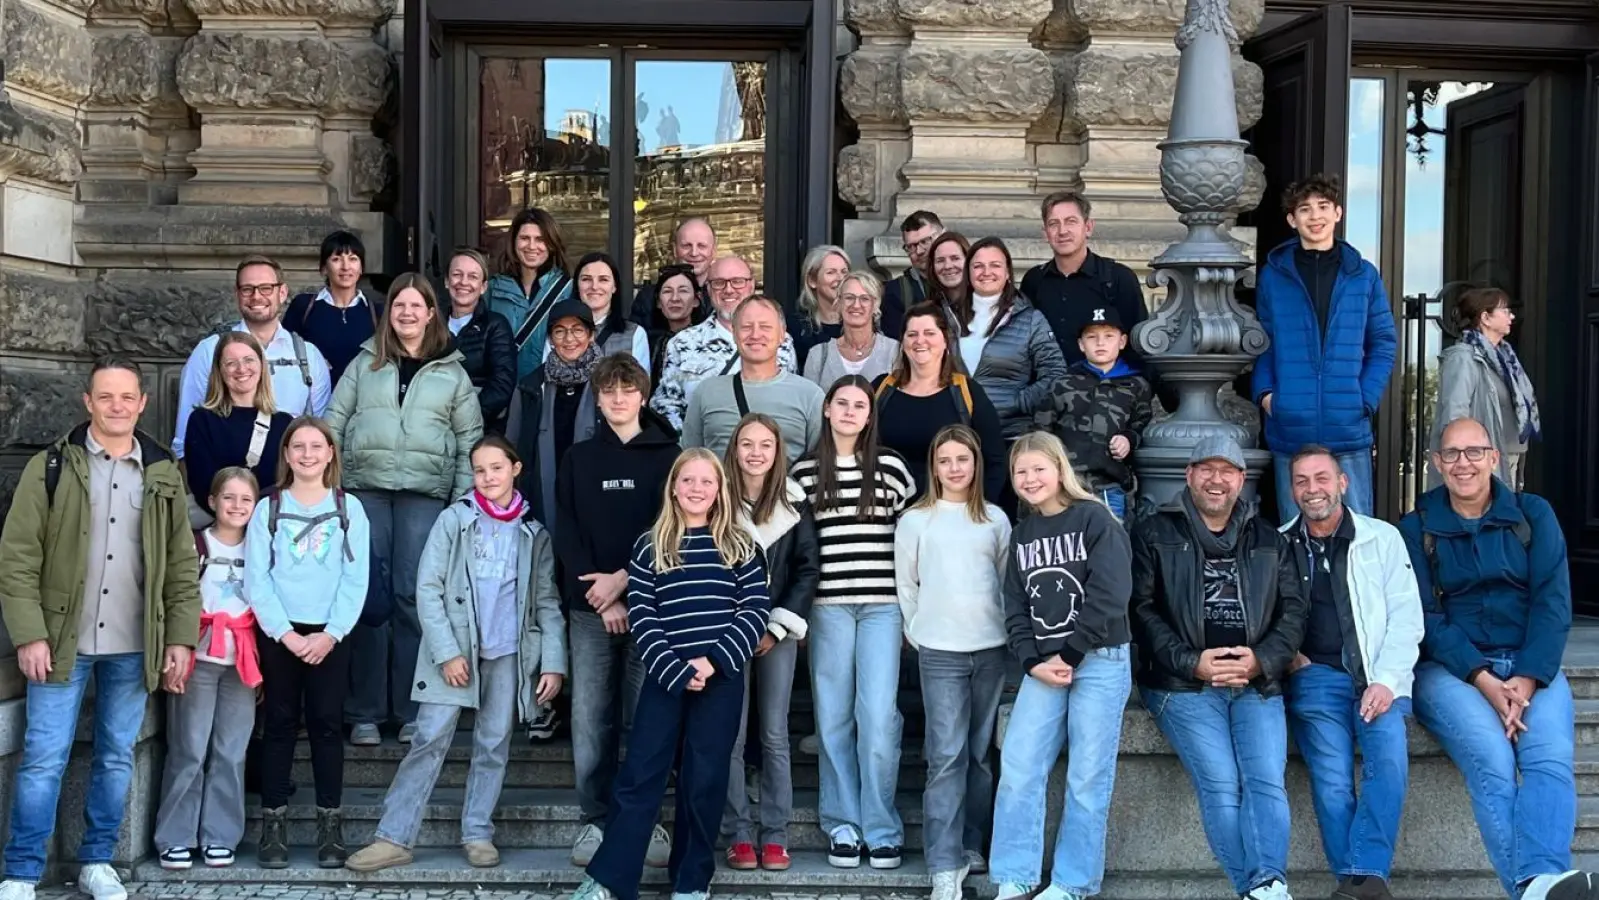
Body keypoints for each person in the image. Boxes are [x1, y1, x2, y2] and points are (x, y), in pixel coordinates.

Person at [0, 356, 200, 900]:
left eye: (126, 397)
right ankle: (20, 871)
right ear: (87, 402)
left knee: (115, 757)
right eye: (105, 397)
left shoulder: (161, 472)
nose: (116, 406)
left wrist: (180, 638)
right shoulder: (52, 467)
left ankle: (97, 862)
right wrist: (29, 634)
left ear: (142, 403)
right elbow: (17, 558)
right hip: (59, 644)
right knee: (43, 758)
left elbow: (181, 564)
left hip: (134, 645)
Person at [345, 436, 566, 873]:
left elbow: (546, 601)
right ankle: (394, 835)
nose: (487, 478)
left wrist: (554, 662)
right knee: (428, 738)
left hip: (507, 652)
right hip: (454, 653)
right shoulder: (454, 521)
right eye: (479, 470)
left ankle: (477, 831)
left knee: (494, 742)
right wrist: (446, 651)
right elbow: (426, 588)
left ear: (515, 469)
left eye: (496, 469)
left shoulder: (532, 533)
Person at [1400, 418, 1596, 900]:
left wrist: (1526, 679)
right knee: (1491, 760)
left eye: (1474, 452)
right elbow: (1425, 617)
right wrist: (1485, 680)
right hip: (1452, 671)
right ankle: (1542, 886)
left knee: (1548, 759)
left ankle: (1535, 885)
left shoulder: (1534, 515)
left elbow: (1553, 602)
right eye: (1452, 454)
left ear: (1494, 458)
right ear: (1435, 464)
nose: (1463, 463)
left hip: (1531, 666)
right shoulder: (1415, 528)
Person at [570, 450, 770, 900]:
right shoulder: (649, 546)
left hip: (721, 678)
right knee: (640, 775)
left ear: (720, 490)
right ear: (674, 487)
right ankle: (611, 879)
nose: (697, 489)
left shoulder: (740, 544)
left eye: (706, 482)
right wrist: (677, 671)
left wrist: (713, 662)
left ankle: (691, 881)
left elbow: (754, 610)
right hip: (665, 676)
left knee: (704, 780)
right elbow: (644, 615)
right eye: (688, 480)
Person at [1131, 436, 1308, 900]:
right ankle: (1261, 888)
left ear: (1241, 480)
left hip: (1255, 682)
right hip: (1183, 684)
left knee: (1266, 780)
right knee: (1222, 784)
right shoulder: (1153, 532)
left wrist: (1261, 661)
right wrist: (1194, 664)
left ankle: (1267, 885)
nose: (1216, 479)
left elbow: (1293, 612)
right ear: (1188, 476)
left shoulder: (1270, 537)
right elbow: (1142, 612)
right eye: (1205, 469)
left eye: (1226, 470)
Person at [327, 273, 483, 747]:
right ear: (388, 313)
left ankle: (414, 708)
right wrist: (334, 492)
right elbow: (335, 422)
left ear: (432, 313)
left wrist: (459, 503)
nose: (408, 314)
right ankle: (366, 713)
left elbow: (468, 442)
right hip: (366, 492)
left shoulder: (451, 371)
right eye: (400, 306)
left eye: (417, 306)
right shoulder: (364, 363)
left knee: (416, 599)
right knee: (370, 601)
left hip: (425, 497)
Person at [990, 431, 1133, 900]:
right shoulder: (1023, 533)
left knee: (1089, 774)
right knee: (1019, 764)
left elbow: (1111, 593)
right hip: (1043, 668)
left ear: (1059, 470)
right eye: (1020, 471)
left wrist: (1069, 655)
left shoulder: (1095, 519)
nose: (1029, 479)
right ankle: (1015, 875)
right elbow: (1014, 605)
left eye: (1038, 468)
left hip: (1099, 659)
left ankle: (1072, 883)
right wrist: (1032, 661)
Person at [1281, 447, 1423, 900]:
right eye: (1302, 481)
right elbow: (1262, 615)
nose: (1312, 489)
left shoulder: (1382, 539)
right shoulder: (1278, 544)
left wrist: (1386, 679)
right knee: (1332, 777)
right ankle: (1365, 883)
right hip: (1316, 677)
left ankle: (1358, 881)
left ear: (1343, 483)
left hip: (1379, 675)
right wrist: (1287, 656)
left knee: (1389, 762)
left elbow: (1407, 617)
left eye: (1322, 478)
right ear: (1292, 489)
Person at [556, 354, 681, 868]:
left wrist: (625, 585)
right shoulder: (579, 457)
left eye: (627, 390)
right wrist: (599, 592)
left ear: (643, 396)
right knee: (590, 718)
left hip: (650, 606)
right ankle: (594, 819)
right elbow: (566, 528)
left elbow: (673, 527)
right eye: (609, 391)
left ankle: (643, 818)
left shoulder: (669, 455)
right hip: (589, 609)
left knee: (644, 717)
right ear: (598, 398)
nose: (618, 399)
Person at [790, 376, 918, 870]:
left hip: (883, 606)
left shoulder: (890, 467)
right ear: (826, 410)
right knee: (834, 716)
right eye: (840, 403)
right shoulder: (803, 473)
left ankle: (882, 826)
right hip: (828, 608)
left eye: (858, 405)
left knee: (879, 718)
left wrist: (915, 608)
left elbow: (910, 541)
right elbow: (796, 550)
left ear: (870, 415)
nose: (848, 411)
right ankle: (843, 822)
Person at [247, 416, 372, 869]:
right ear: (285, 455)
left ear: (330, 453)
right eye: (297, 447)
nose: (306, 454)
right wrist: (284, 634)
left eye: (315, 446)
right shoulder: (269, 507)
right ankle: (273, 826)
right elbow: (257, 578)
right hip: (281, 634)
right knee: (279, 726)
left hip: (329, 636)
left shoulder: (348, 508)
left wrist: (331, 634)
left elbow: (355, 579)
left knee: (325, 725)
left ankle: (329, 827)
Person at [894, 425, 1011, 900]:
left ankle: (971, 844)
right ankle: (943, 864)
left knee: (979, 754)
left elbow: (1006, 584)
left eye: (962, 459)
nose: (954, 468)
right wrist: (917, 629)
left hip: (989, 647)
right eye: (945, 460)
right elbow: (907, 583)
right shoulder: (916, 520)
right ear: (933, 466)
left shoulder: (996, 521)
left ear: (976, 464)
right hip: (938, 649)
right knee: (945, 755)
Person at [1253, 174, 1398, 521]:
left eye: (1322, 207)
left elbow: (1383, 342)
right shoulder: (1274, 276)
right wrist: (1267, 396)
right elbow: (1262, 342)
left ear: (1338, 213)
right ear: (1292, 219)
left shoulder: (1363, 275)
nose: (1314, 216)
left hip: (1347, 427)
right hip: (1291, 427)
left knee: (1358, 534)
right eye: (1304, 209)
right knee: (1296, 538)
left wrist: (1363, 399)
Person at [721, 414, 821, 873]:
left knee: (775, 734)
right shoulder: (718, 502)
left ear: (778, 451)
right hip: (726, 631)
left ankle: (776, 835)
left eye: (765, 444)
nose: (756, 453)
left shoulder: (796, 504)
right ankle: (738, 833)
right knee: (731, 734)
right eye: (747, 444)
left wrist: (776, 626)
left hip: (775, 632)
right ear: (735, 449)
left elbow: (805, 569)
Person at [153, 468, 263, 871]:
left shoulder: (260, 548)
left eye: (245, 500)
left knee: (231, 752)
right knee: (189, 749)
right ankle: (175, 836)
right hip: (197, 658)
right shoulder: (195, 544)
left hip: (242, 662)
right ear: (212, 501)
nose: (237, 506)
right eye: (228, 497)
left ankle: (220, 835)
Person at [174, 255, 332, 459]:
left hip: (290, 478)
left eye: (266, 288)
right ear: (237, 294)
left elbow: (320, 429)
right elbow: (185, 435)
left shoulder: (308, 356)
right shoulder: (209, 350)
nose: (256, 296)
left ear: (282, 292)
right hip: (225, 479)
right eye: (248, 289)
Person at [873, 303, 1006, 499]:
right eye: (912, 334)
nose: (920, 341)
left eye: (929, 333)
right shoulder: (881, 388)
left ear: (945, 341)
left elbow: (995, 460)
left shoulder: (967, 392)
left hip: (951, 510)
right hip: (887, 508)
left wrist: (977, 509)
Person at [1032, 306, 1152, 523]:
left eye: (1108, 336)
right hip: (1067, 485)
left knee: (1111, 544)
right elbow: (1042, 433)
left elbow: (1141, 424)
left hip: (1111, 485)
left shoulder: (1136, 385)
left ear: (1122, 341)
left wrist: (1128, 439)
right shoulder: (1062, 384)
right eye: (1091, 337)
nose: (1100, 342)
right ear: (1081, 344)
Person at [651, 255, 796, 431]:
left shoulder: (781, 340)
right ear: (709, 289)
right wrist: (692, 447)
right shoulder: (682, 343)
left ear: (751, 286)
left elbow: (791, 399)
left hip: (764, 452)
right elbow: (665, 405)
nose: (728, 289)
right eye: (719, 282)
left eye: (737, 281)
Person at [683, 295, 825, 463]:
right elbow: (691, 459)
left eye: (765, 327)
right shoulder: (707, 392)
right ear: (734, 334)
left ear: (782, 334)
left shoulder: (810, 395)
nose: (755, 334)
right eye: (746, 327)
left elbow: (818, 464)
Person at [1020, 193, 1149, 369]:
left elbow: (1138, 345)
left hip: (1103, 391)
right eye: (1053, 224)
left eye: (1071, 221)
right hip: (1046, 390)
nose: (1062, 231)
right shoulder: (1034, 281)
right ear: (1045, 233)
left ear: (1088, 227)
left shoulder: (1118, 278)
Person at [959, 237, 1068, 442]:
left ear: (1008, 272)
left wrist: (1019, 402)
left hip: (1010, 435)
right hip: (958, 436)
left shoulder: (1030, 320)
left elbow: (1055, 372)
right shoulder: (949, 318)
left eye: (995, 265)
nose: (986, 272)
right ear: (968, 272)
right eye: (978, 266)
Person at [508, 299, 603, 535]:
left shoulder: (610, 381)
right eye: (560, 331)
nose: (569, 339)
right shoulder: (530, 387)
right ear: (550, 339)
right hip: (544, 496)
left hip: (598, 492)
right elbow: (512, 445)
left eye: (577, 330)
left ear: (591, 335)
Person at [180, 332, 293, 524]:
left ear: (261, 366)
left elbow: (288, 485)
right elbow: (202, 485)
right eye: (231, 363)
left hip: (268, 528)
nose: (241, 369)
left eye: (249, 360)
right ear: (220, 371)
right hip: (220, 533)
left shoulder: (284, 424)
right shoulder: (202, 420)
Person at [1433, 287, 1539, 490]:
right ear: (1486, 318)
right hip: (1479, 459)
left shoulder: (1506, 358)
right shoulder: (1464, 357)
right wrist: (1462, 458)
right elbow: (1455, 413)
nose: (1512, 316)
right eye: (1505, 311)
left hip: (1508, 454)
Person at [487, 207, 574, 382]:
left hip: (548, 391)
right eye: (525, 238)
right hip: (502, 391)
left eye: (540, 239)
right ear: (513, 242)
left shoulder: (567, 289)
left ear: (551, 244)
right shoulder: (492, 289)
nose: (532, 246)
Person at [286, 230, 379, 382]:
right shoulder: (303, 307)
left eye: (353, 259)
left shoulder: (375, 312)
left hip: (360, 400)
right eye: (336, 259)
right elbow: (285, 352)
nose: (346, 267)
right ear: (323, 268)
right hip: (314, 398)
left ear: (361, 267)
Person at [444, 247, 518, 434]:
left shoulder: (496, 326)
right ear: (446, 281)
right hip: (434, 427)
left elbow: (502, 383)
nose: (463, 282)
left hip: (479, 429)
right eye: (457, 274)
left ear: (484, 286)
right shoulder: (431, 325)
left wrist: (467, 418)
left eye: (473, 276)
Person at [802, 270, 899, 388]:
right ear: (838, 303)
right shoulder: (818, 355)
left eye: (864, 298)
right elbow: (809, 404)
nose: (856, 305)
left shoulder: (894, 351)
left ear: (875, 305)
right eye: (849, 298)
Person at [567, 251, 650, 371]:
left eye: (603, 280)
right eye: (586, 279)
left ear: (614, 287)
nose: (594, 286)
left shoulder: (635, 334)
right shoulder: (560, 332)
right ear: (577, 285)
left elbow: (642, 387)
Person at [630, 218, 716, 327]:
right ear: (675, 250)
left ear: (713, 251)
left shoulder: (724, 295)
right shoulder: (648, 298)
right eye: (686, 246)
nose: (694, 253)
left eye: (702, 246)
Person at [882, 210, 943, 340]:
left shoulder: (966, 282)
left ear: (943, 236)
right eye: (911, 247)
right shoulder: (896, 292)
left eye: (925, 241)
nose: (919, 251)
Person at [788, 244, 852, 367]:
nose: (840, 278)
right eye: (831, 272)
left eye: (844, 272)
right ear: (812, 281)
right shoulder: (795, 327)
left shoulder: (861, 321)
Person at [646, 264, 708, 388]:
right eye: (668, 291)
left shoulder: (707, 342)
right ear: (658, 302)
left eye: (683, 291)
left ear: (696, 300)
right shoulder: (650, 342)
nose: (675, 298)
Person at [923, 231, 971, 331]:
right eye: (940, 260)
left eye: (955, 258)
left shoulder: (987, 306)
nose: (948, 266)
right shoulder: (926, 314)